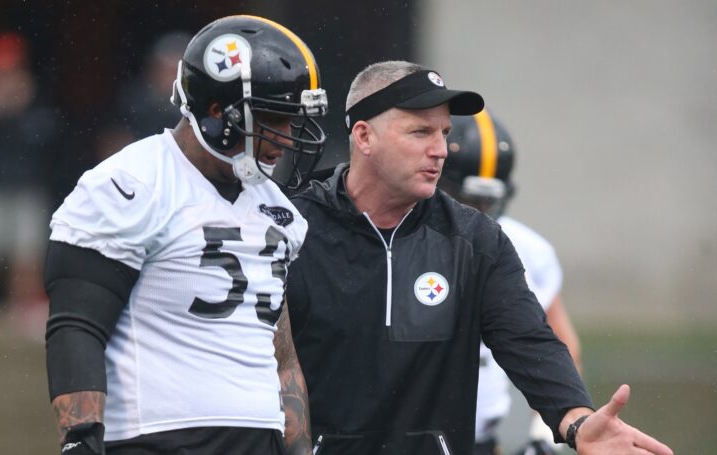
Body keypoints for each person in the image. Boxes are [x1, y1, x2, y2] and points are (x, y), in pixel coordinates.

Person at [285, 60, 673, 455]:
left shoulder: (475, 239)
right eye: (420, 132)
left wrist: (576, 421)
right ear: (364, 137)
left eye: (444, 133)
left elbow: (529, 341)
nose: (439, 150)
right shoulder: (290, 229)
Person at [43, 15, 328, 455]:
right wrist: (81, 439)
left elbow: (281, 354)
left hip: (259, 439)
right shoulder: (132, 183)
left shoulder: (277, 209)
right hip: (158, 438)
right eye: (275, 119)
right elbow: (77, 325)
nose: (287, 139)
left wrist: (299, 447)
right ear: (217, 113)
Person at [439, 110, 582, 455]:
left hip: (481, 443)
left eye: (487, 202)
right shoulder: (403, 240)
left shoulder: (526, 249)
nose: (478, 213)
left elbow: (559, 346)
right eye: (468, 201)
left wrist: (543, 436)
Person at [0, 31, 60, 338]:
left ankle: (22, 315)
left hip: (28, 187)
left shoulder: (36, 98)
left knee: (26, 256)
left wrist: (21, 110)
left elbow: (47, 139)